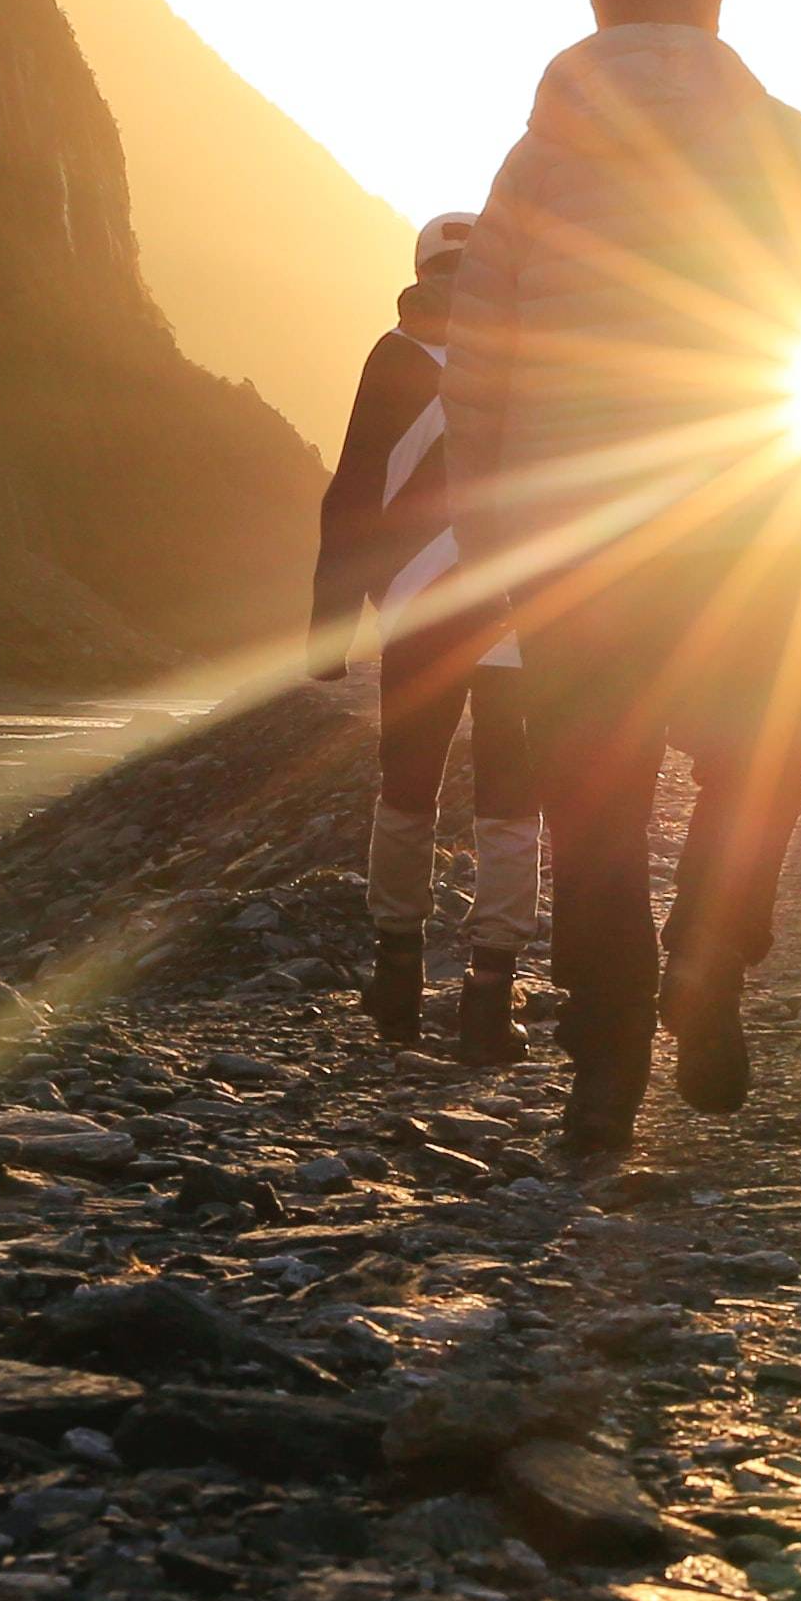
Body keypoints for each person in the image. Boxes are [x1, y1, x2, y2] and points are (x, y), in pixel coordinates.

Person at [439, 0, 801, 1168]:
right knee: (757, 759)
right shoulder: (792, 146)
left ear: (594, 3)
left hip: (578, 532)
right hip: (748, 513)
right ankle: (711, 954)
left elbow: (476, 372)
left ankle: (608, 1064)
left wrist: (488, 538)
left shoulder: (535, 165)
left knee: (597, 799)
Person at [311, 211, 542, 1059]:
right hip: (517, 610)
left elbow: (350, 494)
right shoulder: (527, 357)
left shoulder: (392, 358)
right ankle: (489, 995)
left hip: (415, 611)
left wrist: (330, 633)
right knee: (512, 799)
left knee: (406, 788)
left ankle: (397, 974)